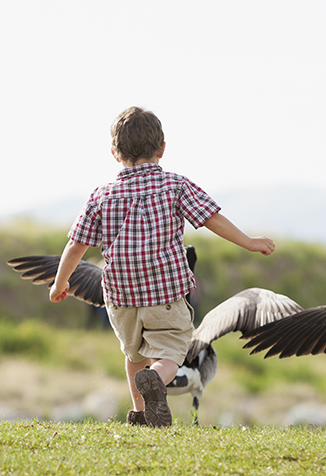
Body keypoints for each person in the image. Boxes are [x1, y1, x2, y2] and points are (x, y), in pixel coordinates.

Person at [49, 106, 274, 428]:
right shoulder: (175, 185)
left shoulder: (101, 196)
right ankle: (157, 379)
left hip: (121, 297)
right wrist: (249, 242)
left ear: (115, 153)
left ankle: (140, 413)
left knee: (134, 353)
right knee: (169, 353)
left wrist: (60, 284)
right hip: (165, 292)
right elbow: (211, 219)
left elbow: (76, 245)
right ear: (162, 148)